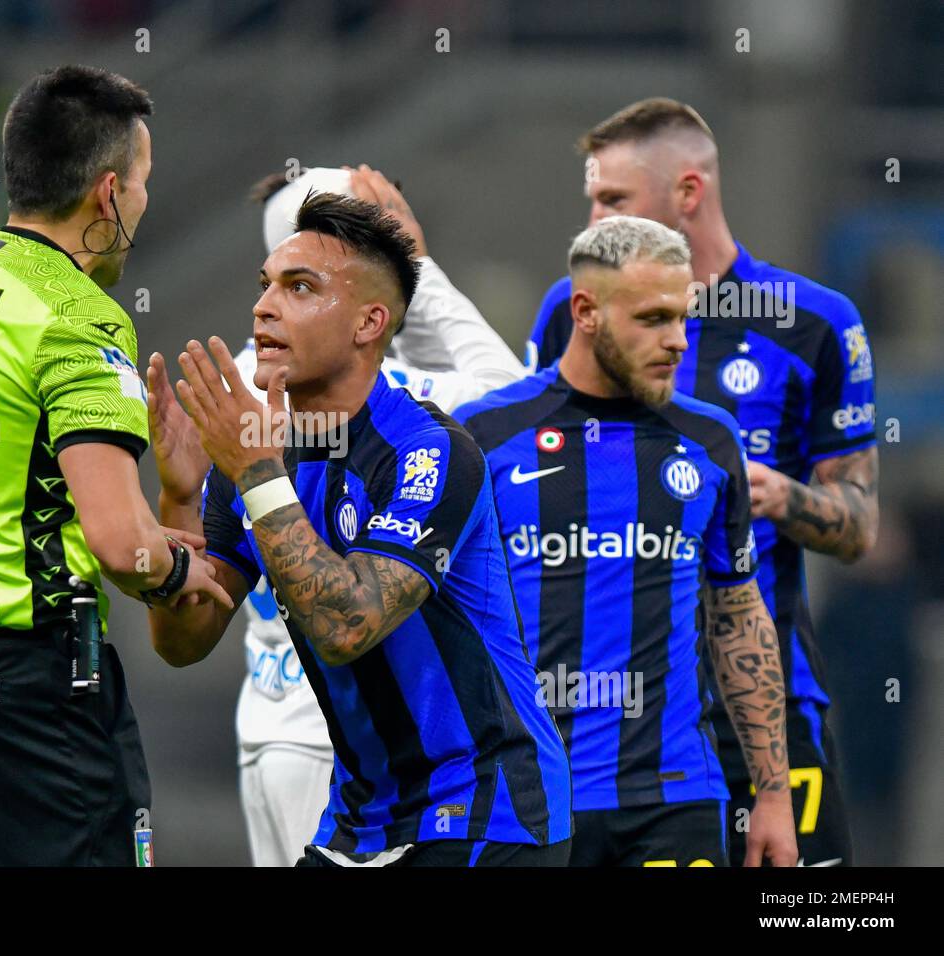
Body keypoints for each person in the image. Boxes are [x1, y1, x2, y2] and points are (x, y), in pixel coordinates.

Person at [147, 192, 572, 866]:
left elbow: (348, 625)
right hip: (359, 818)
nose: (263, 306)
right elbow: (183, 641)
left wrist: (257, 474)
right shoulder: (254, 453)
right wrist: (177, 497)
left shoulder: (428, 450)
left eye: (300, 287)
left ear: (370, 321)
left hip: (483, 810)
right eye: (265, 287)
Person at [0, 65, 229, 866]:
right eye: (143, 183)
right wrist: (183, 573)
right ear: (107, 194)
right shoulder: (77, 315)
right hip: (31, 686)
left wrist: (173, 494)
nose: (144, 204)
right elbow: (116, 545)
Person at [526, 99, 877, 866]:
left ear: (687, 193)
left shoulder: (813, 322)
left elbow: (860, 526)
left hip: (767, 703)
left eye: (613, 199)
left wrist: (778, 495)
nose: (592, 217)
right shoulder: (570, 310)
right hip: (611, 722)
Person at [457, 216, 797, 866]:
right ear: (586, 312)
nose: (677, 342)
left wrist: (773, 798)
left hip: (675, 802)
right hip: (522, 806)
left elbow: (737, 617)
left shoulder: (711, 439)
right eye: (652, 319)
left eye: (682, 319)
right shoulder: (483, 436)